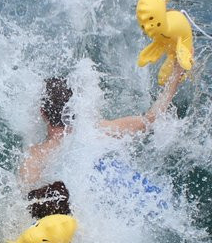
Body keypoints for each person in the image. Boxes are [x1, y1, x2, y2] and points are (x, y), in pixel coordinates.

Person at [18, 68, 185, 190]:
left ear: (42, 112)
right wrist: (176, 73)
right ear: (75, 107)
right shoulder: (100, 130)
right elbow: (152, 118)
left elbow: (26, 197)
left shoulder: (37, 156)